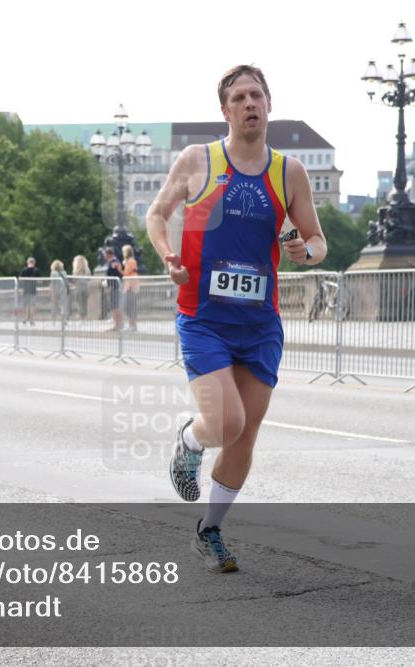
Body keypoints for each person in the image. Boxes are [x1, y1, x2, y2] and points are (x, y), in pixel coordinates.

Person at [145, 64, 327, 573]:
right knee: (225, 422)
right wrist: (167, 257)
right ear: (225, 110)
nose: (250, 104)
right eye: (239, 97)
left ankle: (211, 530)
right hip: (204, 317)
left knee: (246, 434)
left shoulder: (288, 171)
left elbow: (317, 238)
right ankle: (190, 438)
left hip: (260, 325)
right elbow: (157, 214)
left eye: (257, 95)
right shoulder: (197, 159)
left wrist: (305, 254)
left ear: (269, 105)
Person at [102, 248, 124, 332]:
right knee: (113, 306)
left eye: (105, 254)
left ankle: (118, 324)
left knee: (115, 306)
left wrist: (110, 286)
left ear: (109, 254)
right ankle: (117, 324)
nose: (104, 256)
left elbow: (115, 274)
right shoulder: (111, 262)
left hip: (114, 287)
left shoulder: (114, 262)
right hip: (112, 286)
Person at [121, 245, 140, 331]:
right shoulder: (129, 261)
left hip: (131, 286)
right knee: (128, 306)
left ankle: (133, 325)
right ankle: (131, 325)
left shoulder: (131, 261)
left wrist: (119, 268)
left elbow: (126, 272)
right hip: (129, 286)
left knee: (129, 306)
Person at [18, 257, 39, 325]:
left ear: (28, 262)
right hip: (33, 290)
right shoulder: (36, 270)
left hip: (25, 290)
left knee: (25, 305)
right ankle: (32, 320)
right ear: (34, 263)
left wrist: (21, 289)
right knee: (32, 305)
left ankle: (25, 318)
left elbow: (20, 280)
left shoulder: (24, 270)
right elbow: (39, 281)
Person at [70, 255, 91, 320]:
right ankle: (83, 317)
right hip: (85, 288)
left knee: (79, 304)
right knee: (84, 304)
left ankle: (80, 316)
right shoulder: (87, 270)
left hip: (78, 288)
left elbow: (74, 280)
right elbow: (89, 279)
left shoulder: (75, 271)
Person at [49, 259, 70, 323]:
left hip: (55, 290)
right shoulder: (64, 272)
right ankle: (64, 320)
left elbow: (52, 282)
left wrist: (51, 291)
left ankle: (54, 319)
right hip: (63, 290)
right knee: (64, 305)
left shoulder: (53, 273)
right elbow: (67, 282)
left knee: (54, 305)